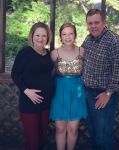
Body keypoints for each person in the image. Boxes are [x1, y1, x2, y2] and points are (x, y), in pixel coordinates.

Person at [81, 9, 119, 150]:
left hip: (104, 96)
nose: (93, 26)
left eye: (96, 22)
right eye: (90, 23)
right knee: (93, 132)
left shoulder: (115, 41)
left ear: (104, 22)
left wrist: (108, 93)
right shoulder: (88, 39)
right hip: (88, 94)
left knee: (103, 136)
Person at [11, 22, 55, 150]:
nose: (40, 39)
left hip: (46, 103)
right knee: (33, 143)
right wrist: (27, 91)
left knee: (42, 140)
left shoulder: (47, 53)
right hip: (29, 104)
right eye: (37, 35)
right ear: (32, 35)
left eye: (44, 36)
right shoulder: (25, 52)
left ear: (48, 37)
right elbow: (15, 74)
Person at [49, 23, 88, 150]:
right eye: (64, 34)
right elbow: (50, 75)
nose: (68, 36)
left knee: (73, 129)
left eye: (71, 33)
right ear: (60, 36)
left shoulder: (82, 51)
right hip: (59, 92)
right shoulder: (54, 53)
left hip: (76, 92)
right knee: (60, 129)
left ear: (75, 35)